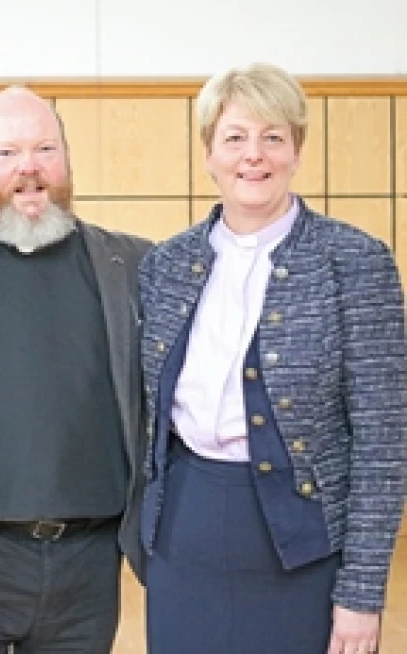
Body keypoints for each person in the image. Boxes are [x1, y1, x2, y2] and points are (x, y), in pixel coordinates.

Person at [139, 62, 407, 654]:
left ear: (297, 149)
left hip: (301, 545)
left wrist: (362, 595)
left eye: (273, 137)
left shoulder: (355, 263)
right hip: (184, 537)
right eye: (234, 138)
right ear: (208, 152)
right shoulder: (164, 266)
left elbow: (384, 441)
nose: (252, 156)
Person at [0, 85, 151, 653]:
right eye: (7, 153)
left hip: (89, 569)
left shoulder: (133, 267)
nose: (29, 169)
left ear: (67, 158)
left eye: (45, 149)